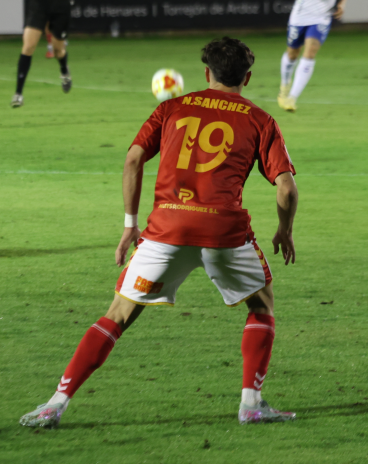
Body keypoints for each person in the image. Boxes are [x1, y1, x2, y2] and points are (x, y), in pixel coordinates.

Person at [18, 37, 298, 429]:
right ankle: (251, 404)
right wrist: (284, 231)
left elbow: (133, 158)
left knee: (117, 314)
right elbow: (286, 188)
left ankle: (55, 403)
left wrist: (130, 224)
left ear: (206, 74)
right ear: (247, 78)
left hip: (166, 227)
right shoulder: (259, 119)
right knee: (261, 306)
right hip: (223, 230)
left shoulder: (171, 107)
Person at [276, 0, 353, 112]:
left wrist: (342, 2)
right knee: (292, 53)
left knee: (310, 51)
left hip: (322, 16)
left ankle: (292, 98)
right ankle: (284, 86)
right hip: (300, 14)